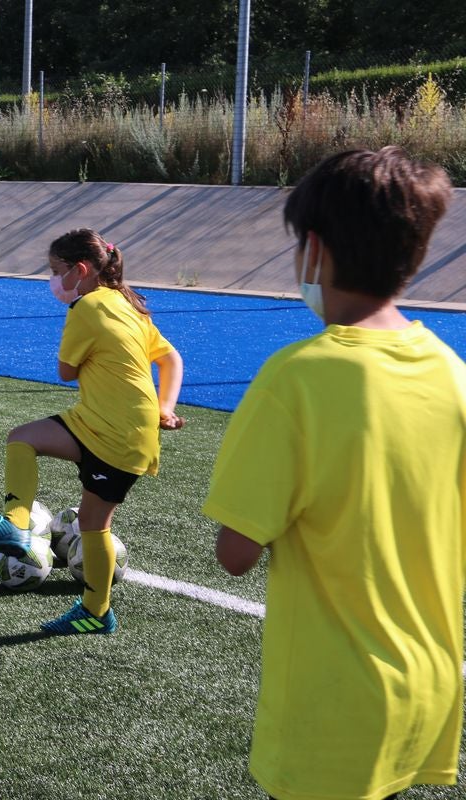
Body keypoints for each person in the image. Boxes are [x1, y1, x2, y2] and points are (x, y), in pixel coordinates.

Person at [203, 147, 463, 800]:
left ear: (313, 251)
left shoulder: (296, 378)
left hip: (335, 702)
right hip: (428, 686)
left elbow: (235, 553)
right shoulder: (452, 374)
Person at [0, 228, 184, 635]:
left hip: (116, 434)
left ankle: (79, 594)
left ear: (81, 270)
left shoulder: (87, 307)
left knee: (88, 516)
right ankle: (85, 601)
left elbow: (65, 371)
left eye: (57, 271)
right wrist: (165, 407)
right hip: (104, 423)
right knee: (30, 447)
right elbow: (171, 359)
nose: (53, 281)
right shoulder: (127, 304)